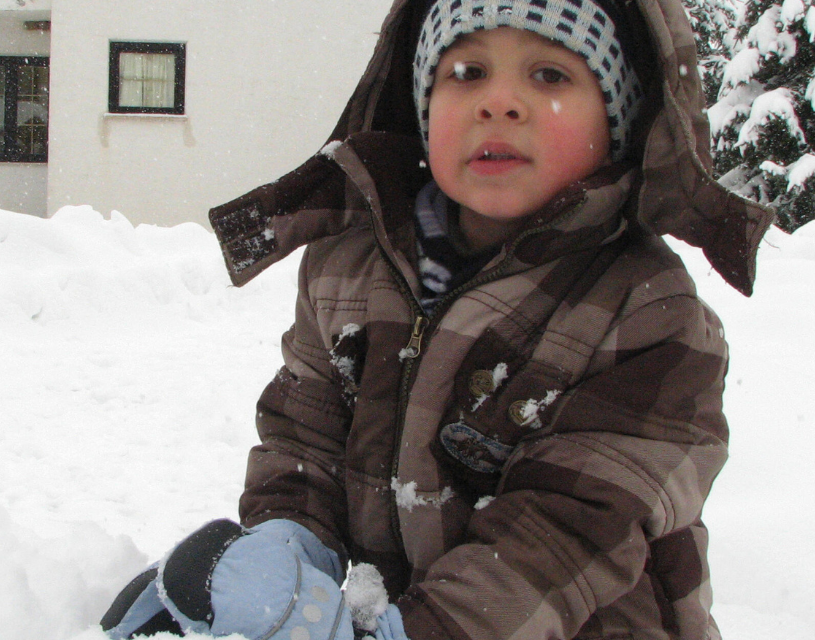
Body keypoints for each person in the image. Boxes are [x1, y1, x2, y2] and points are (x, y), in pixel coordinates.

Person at [102, 0, 773, 638]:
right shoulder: (346, 269)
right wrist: (287, 547)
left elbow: (564, 537)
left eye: (549, 75)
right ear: (424, 107)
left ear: (617, 119)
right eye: (467, 71)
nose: (498, 101)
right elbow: (305, 441)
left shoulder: (647, 313)